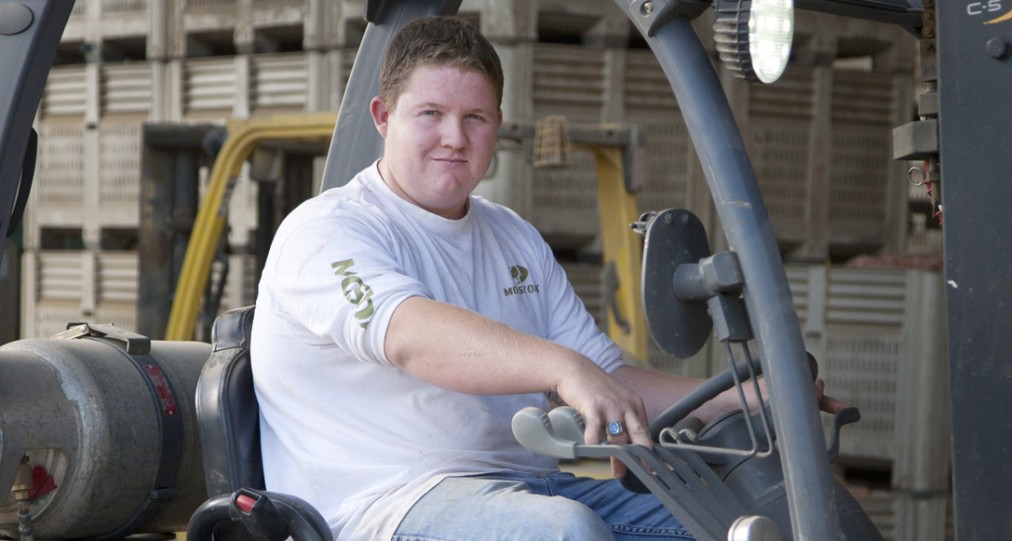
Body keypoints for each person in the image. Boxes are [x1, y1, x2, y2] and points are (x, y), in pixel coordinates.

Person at [251, 15, 828, 540]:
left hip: (527, 487)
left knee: (739, 520)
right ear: (384, 116)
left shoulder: (512, 235)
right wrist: (561, 367)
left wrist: (747, 398)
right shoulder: (327, 230)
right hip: (384, 507)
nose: (454, 137)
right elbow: (408, 336)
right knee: (564, 533)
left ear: (496, 126)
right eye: (431, 114)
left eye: (474, 118)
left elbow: (604, 376)